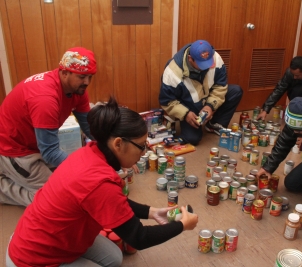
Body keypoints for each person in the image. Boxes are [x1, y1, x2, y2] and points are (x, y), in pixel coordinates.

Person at [6, 97, 199, 267]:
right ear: (118, 144)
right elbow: (139, 237)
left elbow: (114, 201)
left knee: (113, 258)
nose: (143, 153)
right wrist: (182, 225)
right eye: (141, 146)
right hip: (32, 258)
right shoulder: (98, 182)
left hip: (44, 234)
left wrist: (152, 212)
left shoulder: (89, 152)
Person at [0, 47, 96, 206]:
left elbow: (89, 126)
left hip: (37, 143)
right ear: (64, 73)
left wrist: (111, 151)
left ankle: (14, 173)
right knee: (54, 200)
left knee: (68, 181)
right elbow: (50, 152)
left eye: (90, 77)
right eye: (82, 77)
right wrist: (83, 168)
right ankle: (3, 187)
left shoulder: (77, 89)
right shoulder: (45, 99)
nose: (86, 82)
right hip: (14, 149)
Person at [159, 39, 243, 145]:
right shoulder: (172, 72)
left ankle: (214, 124)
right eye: (201, 64)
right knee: (192, 139)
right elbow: (167, 101)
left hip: (207, 96)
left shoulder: (215, 58)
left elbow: (220, 86)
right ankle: (189, 120)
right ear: (190, 59)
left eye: (208, 62)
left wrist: (210, 106)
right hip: (188, 104)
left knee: (235, 91)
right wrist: (185, 114)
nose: (207, 66)